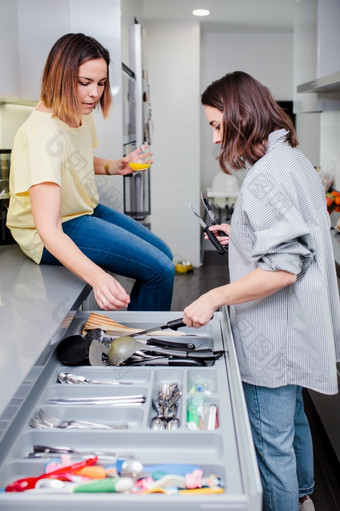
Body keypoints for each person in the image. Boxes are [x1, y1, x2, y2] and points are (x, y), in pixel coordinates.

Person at [183, 71, 340, 511]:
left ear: (240, 117)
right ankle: (305, 498)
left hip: (271, 335)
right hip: (296, 330)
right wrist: (243, 234)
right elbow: (297, 239)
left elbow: (284, 269)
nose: (215, 140)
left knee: (271, 445)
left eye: (217, 125)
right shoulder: (291, 159)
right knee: (292, 421)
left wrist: (212, 297)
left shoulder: (265, 177)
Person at [7, 33, 175, 312]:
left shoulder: (77, 112)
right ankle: (140, 349)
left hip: (84, 210)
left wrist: (114, 166)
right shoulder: (39, 133)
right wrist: (97, 276)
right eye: (84, 83)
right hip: (51, 231)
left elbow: (76, 157)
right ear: (59, 75)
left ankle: (134, 339)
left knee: (165, 256)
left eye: (101, 83)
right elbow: (49, 228)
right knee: (160, 271)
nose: (94, 93)